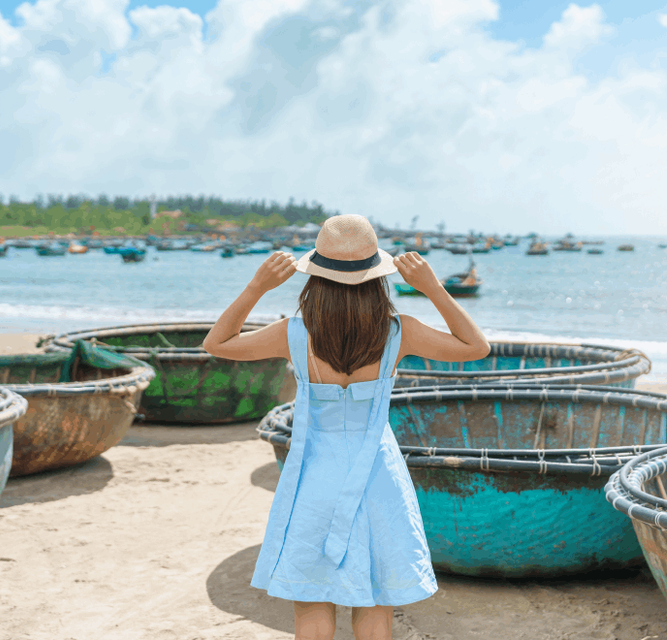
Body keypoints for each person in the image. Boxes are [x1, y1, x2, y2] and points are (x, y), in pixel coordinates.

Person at [202, 215, 490, 640]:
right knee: (373, 603)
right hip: (376, 476)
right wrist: (432, 287)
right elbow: (476, 347)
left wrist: (257, 287)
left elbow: (217, 343)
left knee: (312, 602)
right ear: (378, 278)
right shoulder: (399, 331)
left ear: (315, 277)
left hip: (313, 476)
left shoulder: (293, 333)